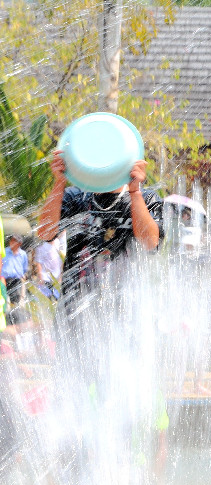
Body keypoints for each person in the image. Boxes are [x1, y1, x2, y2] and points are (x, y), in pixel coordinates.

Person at [36, 149, 162, 371]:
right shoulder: (76, 197)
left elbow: (150, 242)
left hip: (125, 320)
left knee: (118, 397)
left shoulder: (146, 198)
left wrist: (134, 191)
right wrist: (59, 183)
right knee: (72, 399)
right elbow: (45, 233)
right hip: (75, 317)